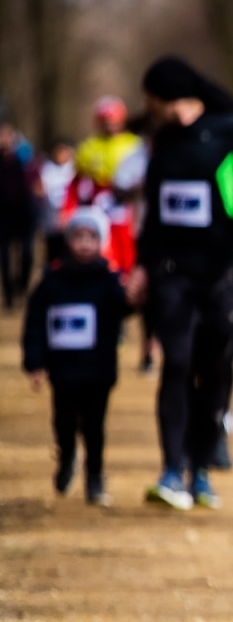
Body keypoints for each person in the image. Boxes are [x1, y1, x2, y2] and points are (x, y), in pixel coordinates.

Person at [123, 56, 233, 511]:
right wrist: (140, 265)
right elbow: (153, 210)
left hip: (223, 273)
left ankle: (202, 469)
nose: (147, 106)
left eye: (150, 97)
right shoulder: (163, 141)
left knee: (214, 369)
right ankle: (172, 470)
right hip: (171, 273)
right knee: (175, 363)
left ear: (166, 94)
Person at [21, 207, 133, 507]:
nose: (84, 243)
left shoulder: (109, 281)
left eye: (91, 237)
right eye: (78, 236)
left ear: (102, 242)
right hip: (63, 372)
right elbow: (35, 324)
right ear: (67, 240)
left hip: (98, 372)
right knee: (64, 422)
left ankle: (95, 477)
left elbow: (126, 308)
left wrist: (136, 295)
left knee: (95, 427)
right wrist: (35, 362)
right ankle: (67, 455)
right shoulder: (51, 282)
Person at [0, 122, 36, 310]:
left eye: (6, 136)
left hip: (25, 214)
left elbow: (35, 179)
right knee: (5, 257)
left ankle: (21, 285)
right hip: (3, 216)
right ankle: (8, 296)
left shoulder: (24, 158)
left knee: (27, 254)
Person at [34, 139, 77, 265]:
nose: (61, 155)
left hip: (70, 217)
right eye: (59, 151)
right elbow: (39, 188)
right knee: (52, 251)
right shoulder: (46, 169)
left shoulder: (75, 169)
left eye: (64, 151)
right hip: (51, 217)